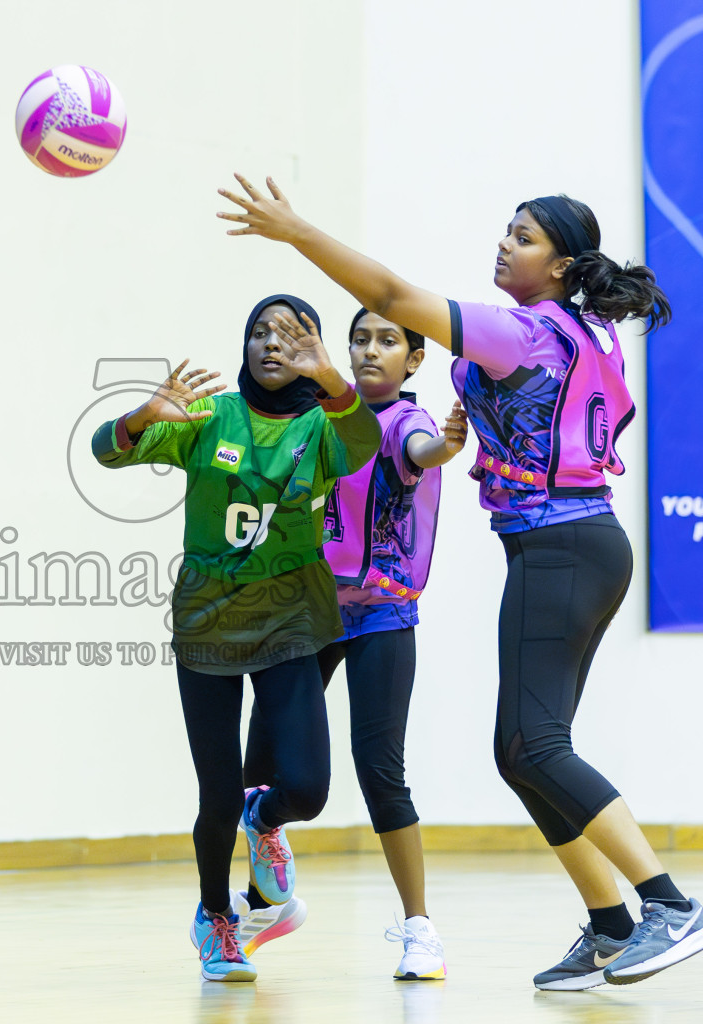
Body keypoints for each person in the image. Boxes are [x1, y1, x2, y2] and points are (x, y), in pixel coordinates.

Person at [218, 177, 703, 989]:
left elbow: (391, 296)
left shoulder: (523, 332)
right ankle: (609, 925)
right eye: (506, 230)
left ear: (560, 266)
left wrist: (296, 230)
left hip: (560, 547)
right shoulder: (588, 332)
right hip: (581, 545)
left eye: (523, 237)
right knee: (521, 751)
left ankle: (668, 902)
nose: (504, 243)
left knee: (535, 745)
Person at [91, 295, 381, 982]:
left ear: (314, 349)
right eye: (260, 333)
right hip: (209, 623)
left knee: (306, 790)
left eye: (292, 335)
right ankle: (215, 916)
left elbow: (365, 444)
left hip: (291, 620)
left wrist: (333, 379)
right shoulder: (209, 415)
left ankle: (266, 818)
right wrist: (142, 417)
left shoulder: (323, 426)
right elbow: (105, 451)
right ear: (243, 347)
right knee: (217, 797)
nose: (272, 344)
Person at [241, 308, 466, 980]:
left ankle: (420, 930)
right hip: (308, 611)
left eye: (388, 341)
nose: (371, 350)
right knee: (263, 761)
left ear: (414, 360)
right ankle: (263, 905)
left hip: (381, 615)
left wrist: (447, 446)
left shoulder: (404, 423)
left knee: (380, 772)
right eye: (360, 339)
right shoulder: (317, 419)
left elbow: (421, 452)